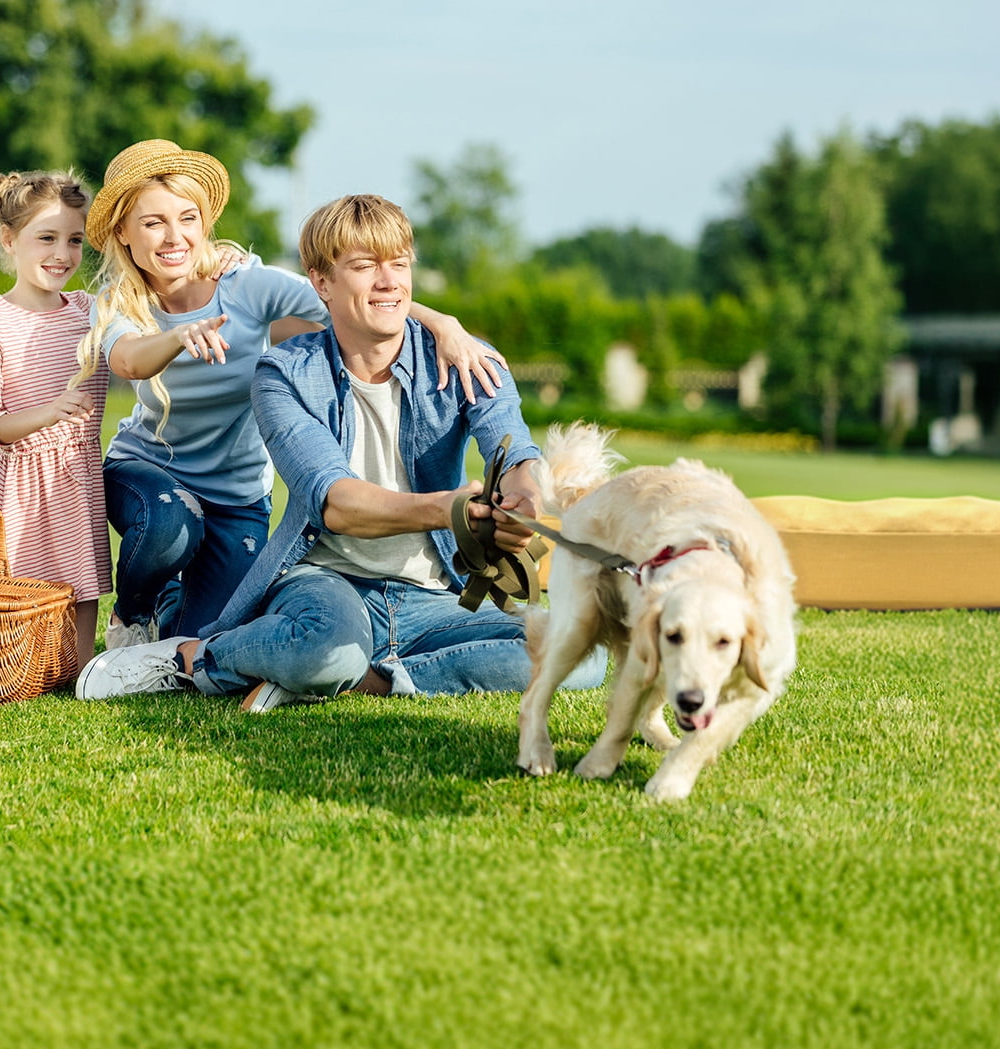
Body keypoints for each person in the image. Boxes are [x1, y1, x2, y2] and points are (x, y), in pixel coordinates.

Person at [77, 193, 606, 710]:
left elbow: (513, 448)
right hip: (325, 581)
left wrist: (523, 502)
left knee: (582, 654)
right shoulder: (283, 375)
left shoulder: (467, 358)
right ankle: (193, 655)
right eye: (365, 266)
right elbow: (333, 502)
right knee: (318, 645)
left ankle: (365, 679)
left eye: (399, 264)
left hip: (431, 594)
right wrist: (447, 509)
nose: (388, 281)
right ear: (321, 283)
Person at [73, 140, 507, 650]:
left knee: (206, 634)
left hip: (236, 497)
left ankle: (172, 605)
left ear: (204, 223)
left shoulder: (246, 284)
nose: (175, 236)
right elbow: (127, 360)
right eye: (153, 223)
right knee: (171, 524)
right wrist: (178, 335)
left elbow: (353, 301)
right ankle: (133, 611)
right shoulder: (119, 300)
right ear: (123, 232)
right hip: (148, 475)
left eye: (188, 218)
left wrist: (443, 323)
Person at [0, 170, 108, 658]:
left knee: (81, 577)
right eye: (46, 238)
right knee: (20, 586)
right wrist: (46, 414)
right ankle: (19, 664)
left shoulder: (91, 310)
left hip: (79, 470)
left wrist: (224, 259)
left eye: (74, 240)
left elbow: (152, 291)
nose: (62, 254)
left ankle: (81, 664)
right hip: (22, 479)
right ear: (9, 239)